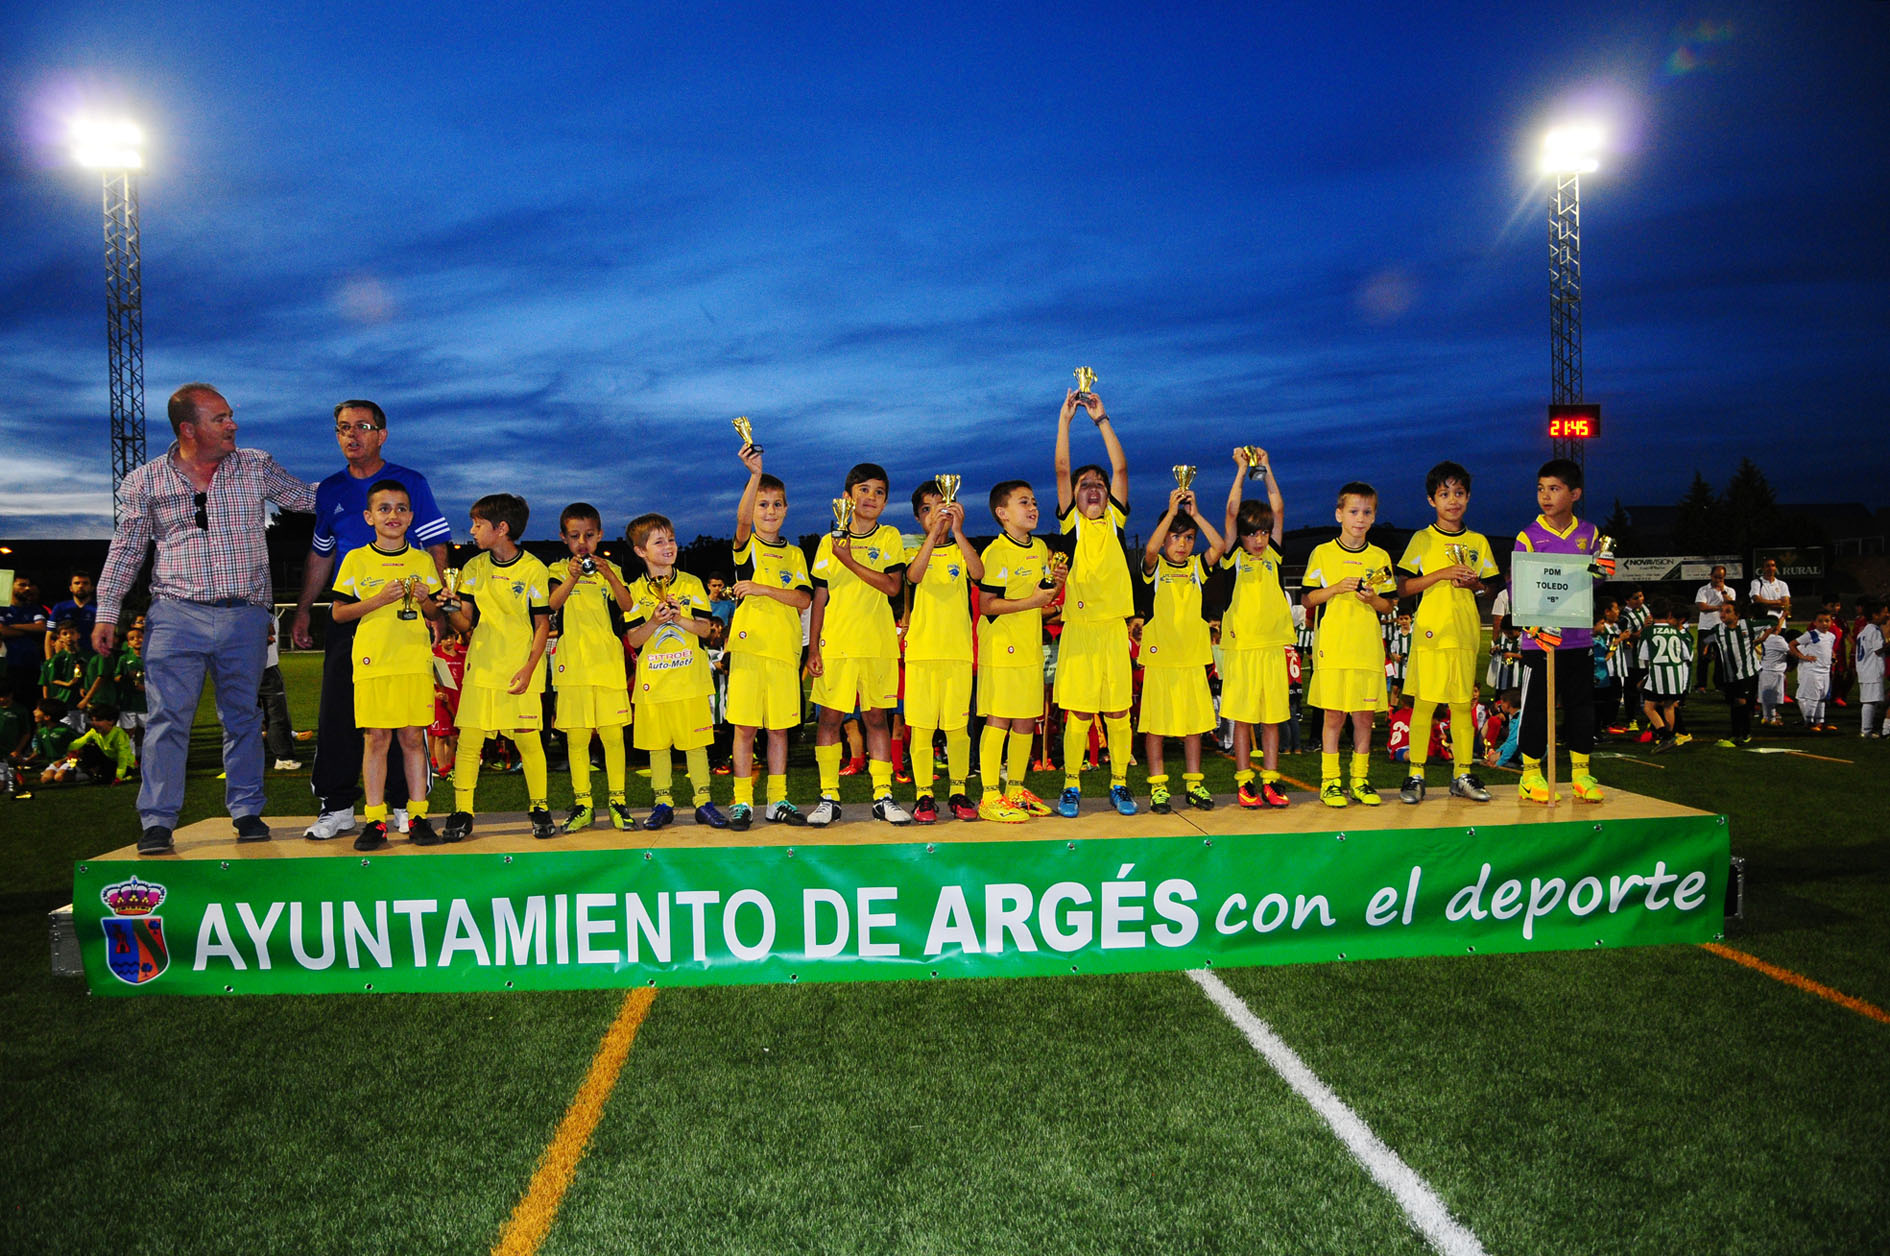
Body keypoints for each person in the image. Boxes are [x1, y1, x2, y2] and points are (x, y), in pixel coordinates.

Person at [93, 383, 316, 854]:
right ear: (189, 429)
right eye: (221, 419)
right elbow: (127, 549)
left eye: (231, 416)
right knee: (166, 721)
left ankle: (247, 810)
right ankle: (157, 821)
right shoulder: (144, 481)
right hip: (174, 616)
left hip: (244, 616)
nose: (232, 424)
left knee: (242, 716)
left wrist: (366, 483)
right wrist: (108, 611)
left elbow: (304, 498)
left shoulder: (254, 464)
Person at [289, 400, 451, 841]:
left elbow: (437, 546)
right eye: (343, 427)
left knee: (405, 721)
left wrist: (433, 607)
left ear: (381, 434)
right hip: (355, 618)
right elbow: (322, 554)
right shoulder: (330, 491)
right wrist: (304, 608)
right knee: (341, 713)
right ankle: (338, 806)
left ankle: (404, 806)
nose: (352, 435)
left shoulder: (410, 483)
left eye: (362, 427)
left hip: (405, 617)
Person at [328, 480, 446, 850]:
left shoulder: (422, 561)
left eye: (400, 509)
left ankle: (418, 816)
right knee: (376, 739)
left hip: (412, 661)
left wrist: (429, 601)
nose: (392, 515)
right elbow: (338, 613)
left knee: (412, 738)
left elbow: (433, 613)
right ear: (369, 516)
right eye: (384, 508)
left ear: (410, 517)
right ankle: (375, 820)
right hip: (373, 662)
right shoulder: (356, 559)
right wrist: (378, 599)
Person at [442, 493, 554, 840]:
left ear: (501, 528)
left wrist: (530, 668)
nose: (473, 530)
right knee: (470, 741)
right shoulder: (474, 568)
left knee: (528, 740)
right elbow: (465, 624)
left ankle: (540, 807)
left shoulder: (534, 568)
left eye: (478, 524)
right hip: (483, 667)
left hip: (520, 668)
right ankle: (463, 812)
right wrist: (448, 607)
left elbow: (542, 625)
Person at [806, 463, 912, 826]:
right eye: (863, 490)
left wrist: (847, 559)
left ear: (885, 501)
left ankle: (883, 795)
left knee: (876, 719)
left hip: (878, 644)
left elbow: (893, 587)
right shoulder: (827, 541)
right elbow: (819, 597)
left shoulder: (890, 537)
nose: (871, 498)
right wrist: (813, 649)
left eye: (879, 492)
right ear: (847, 497)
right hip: (835, 644)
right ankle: (828, 796)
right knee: (830, 719)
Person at [1394, 460, 1501, 805]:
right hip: (1430, 633)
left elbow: (1492, 585)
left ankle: (1462, 774)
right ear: (1431, 500)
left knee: (1461, 707)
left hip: (1464, 632)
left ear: (1468, 497)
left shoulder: (1478, 541)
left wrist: (1475, 585)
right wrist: (1440, 574)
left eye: (1458, 493)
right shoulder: (1422, 539)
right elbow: (1402, 587)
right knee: (1424, 705)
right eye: (1444, 494)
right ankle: (1415, 775)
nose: (1452, 500)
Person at [1052, 388, 1138, 818]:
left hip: (1113, 628)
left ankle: (1119, 782)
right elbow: (1063, 468)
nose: (1092, 488)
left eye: (1099, 485)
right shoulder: (1074, 525)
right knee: (1081, 713)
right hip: (1080, 630)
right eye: (1085, 485)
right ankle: (1071, 784)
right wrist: (1066, 422)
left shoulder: (1115, 521)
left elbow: (1119, 466)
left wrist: (1102, 420)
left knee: (1119, 711)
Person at [726, 445, 814, 828]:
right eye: (763, 504)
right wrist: (754, 476)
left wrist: (762, 589)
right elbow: (742, 521)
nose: (770, 511)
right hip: (748, 651)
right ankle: (742, 801)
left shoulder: (794, 554)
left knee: (779, 729)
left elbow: (802, 598)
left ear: (786, 509)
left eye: (777, 504)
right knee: (745, 727)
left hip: (782, 652)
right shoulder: (746, 545)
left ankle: (777, 800)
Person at [624, 512, 726, 830]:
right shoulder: (633, 591)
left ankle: (703, 802)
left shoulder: (692, 583)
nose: (669, 546)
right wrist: (654, 621)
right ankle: (663, 803)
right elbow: (633, 638)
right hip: (654, 682)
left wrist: (679, 618)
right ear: (641, 551)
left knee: (696, 745)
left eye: (671, 539)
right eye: (659, 541)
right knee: (657, 747)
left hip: (690, 682)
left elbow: (707, 629)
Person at [1512, 458, 1603, 804]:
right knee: (1536, 707)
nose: (1545, 496)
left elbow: (1593, 577)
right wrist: (1534, 625)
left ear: (1575, 493)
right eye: (1540, 489)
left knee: (1581, 705)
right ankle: (1530, 774)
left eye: (1554, 489)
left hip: (1578, 637)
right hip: (1540, 639)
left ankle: (1581, 773)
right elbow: (1520, 587)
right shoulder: (1529, 536)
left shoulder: (1590, 533)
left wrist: (1603, 570)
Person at [1302, 482, 1397, 808]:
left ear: (1373, 517)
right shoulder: (1323, 553)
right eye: (1353, 511)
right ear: (1339, 514)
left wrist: (1373, 600)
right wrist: (1335, 589)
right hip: (1333, 648)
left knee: (1363, 718)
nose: (1360, 518)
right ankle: (1330, 782)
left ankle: (1360, 779)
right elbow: (1308, 598)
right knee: (1333, 716)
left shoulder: (1379, 557)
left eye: (1367, 512)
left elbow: (1390, 605)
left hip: (1366, 648)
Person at [975, 479, 1065, 822]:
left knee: (1027, 719)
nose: (1033, 508)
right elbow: (987, 605)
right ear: (1003, 513)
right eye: (1023, 502)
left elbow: (1039, 602)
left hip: (1029, 645)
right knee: (1000, 718)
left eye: (1034, 502)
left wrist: (1057, 584)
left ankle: (1015, 789)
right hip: (1002, 648)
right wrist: (1034, 600)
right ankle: (989, 795)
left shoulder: (1040, 548)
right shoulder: (996, 552)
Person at [546, 503, 637, 832]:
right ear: (564, 538)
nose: (582, 542)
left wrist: (609, 573)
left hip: (608, 664)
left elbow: (628, 606)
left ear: (599, 535)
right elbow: (552, 605)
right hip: (573, 665)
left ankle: (618, 801)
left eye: (588, 535)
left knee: (613, 736)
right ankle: (583, 803)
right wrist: (572, 577)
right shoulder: (557, 569)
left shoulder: (610, 569)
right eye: (574, 536)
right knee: (577, 738)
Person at [1138, 477, 1225, 813]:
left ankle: (1194, 784)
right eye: (1175, 536)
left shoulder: (1196, 568)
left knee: (1193, 727)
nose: (1182, 544)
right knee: (1156, 728)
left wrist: (1196, 515)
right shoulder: (1155, 567)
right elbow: (1149, 550)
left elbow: (1218, 547)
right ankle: (1158, 788)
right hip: (1161, 661)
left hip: (1191, 660)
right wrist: (1171, 513)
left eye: (1188, 538)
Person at [904, 479, 984, 824]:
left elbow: (979, 573)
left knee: (957, 729)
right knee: (921, 729)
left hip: (957, 653)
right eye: (927, 509)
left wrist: (959, 532)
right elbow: (914, 576)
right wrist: (933, 535)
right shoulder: (912, 548)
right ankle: (923, 794)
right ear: (919, 518)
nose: (936, 513)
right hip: (922, 652)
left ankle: (958, 790)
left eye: (943, 506)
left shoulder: (960, 550)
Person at [1218, 447, 1294, 808]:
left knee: (1273, 718)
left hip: (1271, 646)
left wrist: (1266, 467)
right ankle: (1245, 780)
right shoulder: (1236, 557)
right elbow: (1232, 512)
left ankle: (1272, 780)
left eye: (1264, 533)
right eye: (1252, 534)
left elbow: (1277, 508)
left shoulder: (1273, 556)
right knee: (1245, 720)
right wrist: (1240, 470)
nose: (1259, 540)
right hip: (1242, 647)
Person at [1710, 597, 1773, 747]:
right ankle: (1735, 732)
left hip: (1748, 672)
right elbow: (1706, 640)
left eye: (1728, 611)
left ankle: (1745, 733)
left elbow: (1774, 622)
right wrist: (1708, 651)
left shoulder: (1747, 625)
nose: (1723, 614)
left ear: (1737, 615)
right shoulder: (1718, 629)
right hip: (1730, 674)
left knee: (1741, 701)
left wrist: (1762, 637)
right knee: (1734, 703)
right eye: (1722, 611)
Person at [1639, 599, 1693, 750]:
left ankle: (1666, 736)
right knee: (1669, 706)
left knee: (1649, 708)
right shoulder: (1676, 631)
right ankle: (1669, 738)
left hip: (1658, 675)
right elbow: (1686, 655)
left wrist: (1646, 677)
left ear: (1651, 614)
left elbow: (1644, 657)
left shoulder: (1648, 632)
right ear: (1669, 614)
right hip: (1675, 675)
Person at [43, 703, 137, 786]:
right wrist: (71, 751)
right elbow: (77, 743)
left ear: (111, 721)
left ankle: (97, 775)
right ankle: (92, 773)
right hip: (108, 760)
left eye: (98, 720)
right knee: (87, 748)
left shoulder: (119, 735)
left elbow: (122, 758)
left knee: (105, 779)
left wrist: (119, 776)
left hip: (124, 765)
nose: (94, 723)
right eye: (93, 720)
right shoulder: (94, 732)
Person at [259, 612, 300, 770]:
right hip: (266, 669)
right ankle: (284, 757)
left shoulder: (237, 613)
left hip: (239, 670)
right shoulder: (264, 616)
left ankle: (242, 761)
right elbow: (270, 640)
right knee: (276, 715)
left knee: (245, 717)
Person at [1, 574, 49, 705]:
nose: (27, 588)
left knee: (30, 704)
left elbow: (42, 627)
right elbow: (1, 630)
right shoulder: (2, 609)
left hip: (31, 665)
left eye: (28, 585)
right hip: (8, 664)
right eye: (22, 585)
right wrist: (28, 630)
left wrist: (13, 627)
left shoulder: (34, 608)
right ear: (11, 586)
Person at [1789, 612, 1837, 732]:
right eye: (1820, 621)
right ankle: (1809, 722)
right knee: (1813, 697)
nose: (1824, 624)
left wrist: (1832, 657)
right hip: (1813, 671)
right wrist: (1803, 657)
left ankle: (1820, 721)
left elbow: (1829, 650)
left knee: (1822, 697)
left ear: (1831, 622)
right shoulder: (1811, 635)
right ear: (1815, 623)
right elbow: (1792, 644)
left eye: (1827, 621)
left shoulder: (1831, 636)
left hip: (1825, 671)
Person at [1692, 565, 1733, 690]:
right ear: (1710, 575)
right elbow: (1702, 607)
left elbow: (1730, 606)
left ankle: (1719, 684)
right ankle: (1701, 684)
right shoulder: (1703, 590)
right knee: (1703, 657)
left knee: (1721, 658)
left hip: (1723, 628)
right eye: (1715, 577)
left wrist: (1723, 592)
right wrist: (1720, 607)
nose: (1718, 580)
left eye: (1720, 578)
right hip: (1706, 628)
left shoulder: (1729, 590)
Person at [40, 624, 86, 730]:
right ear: (60, 637)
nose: (69, 636)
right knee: (65, 732)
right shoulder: (57, 659)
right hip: (64, 703)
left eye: (72, 633)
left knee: (81, 734)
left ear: (78, 635)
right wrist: (67, 684)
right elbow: (51, 680)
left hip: (81, 703)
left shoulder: (86, 655)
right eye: (65, 634)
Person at [47, 572, 99, 658]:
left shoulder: (100, 609)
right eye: (77, 583)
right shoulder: (60, 608)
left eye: (85, 583)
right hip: (65, 657)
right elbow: (49, 635)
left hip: (92, 657)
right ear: (71, 588)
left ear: (92, 588)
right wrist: (49, 660)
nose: (81, 586)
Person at [1855, 602, 1887, 737]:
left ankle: (1867, 730)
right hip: (1871, 670)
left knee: (1870, 700)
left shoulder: (1863, 632)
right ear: (1875, 615)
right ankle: (1866, 731)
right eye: (1885, 612)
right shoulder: (1874, 630)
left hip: (1865, 670)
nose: (1887, 615)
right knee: (1870, 701)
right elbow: (1878, 649)